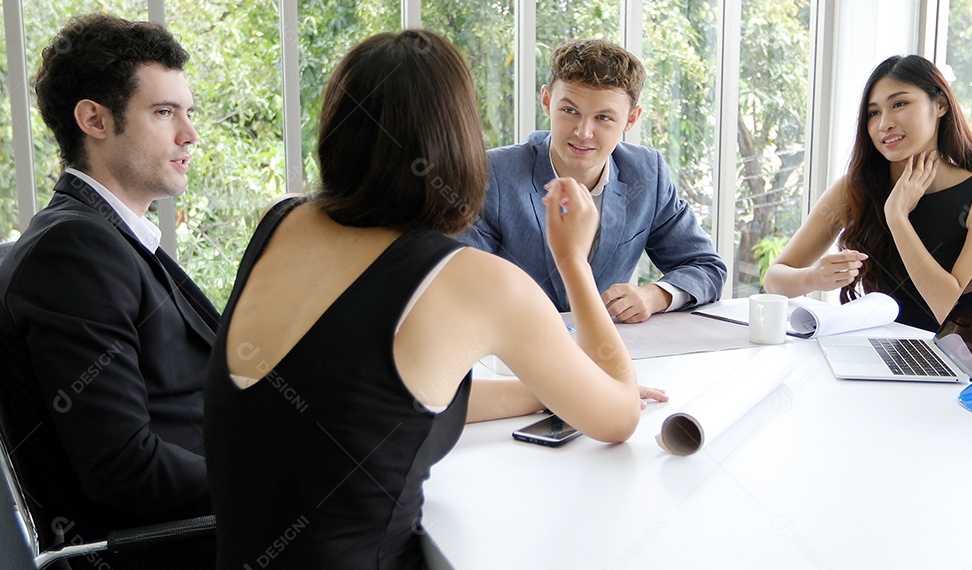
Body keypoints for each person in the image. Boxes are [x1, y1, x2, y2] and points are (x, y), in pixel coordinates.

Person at [203, 30, 649, 569]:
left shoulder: (281, 222)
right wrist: (572, 259)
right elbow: (620, 415)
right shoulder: (471, 280)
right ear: (458, 139)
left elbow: (377, 401)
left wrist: (545, 390)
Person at [0, 13, 216, 566]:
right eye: (164, 112)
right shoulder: (74, 250)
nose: (189, 134)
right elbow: (124, 467)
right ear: (95, 119)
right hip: (174, 545)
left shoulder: (108, 238)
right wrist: (280, 479)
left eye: (187, 113)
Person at [456, 39, 727, 323]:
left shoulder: (646, 173)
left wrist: (654, 295)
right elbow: (457, 278)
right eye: (570, 111)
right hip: (510, 353)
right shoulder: (494, 173)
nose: (583, 132)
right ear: (547, 101)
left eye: (603, 118)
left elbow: (706, 266)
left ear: (631, 119)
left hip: (607, 350)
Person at [762, 55, 972, 331]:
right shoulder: (854, 189)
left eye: (899, 104)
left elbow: (952, 314)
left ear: (940, 104)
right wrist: (813, 277)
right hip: (864, 350)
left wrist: (897, 217)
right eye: (874, 113)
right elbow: (774, 279)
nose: (884, 124)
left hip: (940, 366)